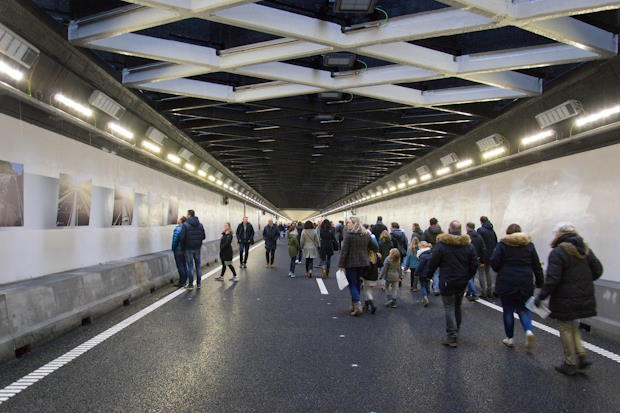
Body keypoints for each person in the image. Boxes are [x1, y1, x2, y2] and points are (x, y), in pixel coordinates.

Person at [534, 223, 603, 376]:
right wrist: (583, 282)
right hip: (582, 295)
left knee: (565, 327)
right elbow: (598, 270)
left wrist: (541, 296)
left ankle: (570, 362)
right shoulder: (585, 250)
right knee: (573, 325)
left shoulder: (558, 252)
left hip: (564, 297)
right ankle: (581, 355)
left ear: (560, 235)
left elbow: (553, 279)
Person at [426, 220, 478, 347]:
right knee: (457, 306)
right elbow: (474, 264)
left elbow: (433, 262)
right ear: (461, 231)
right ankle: (456, 331)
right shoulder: (468, 245)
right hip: (462, 281)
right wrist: (468, 276)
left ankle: (452, 336)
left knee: (449, 306)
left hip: (447, 281)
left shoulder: (442, 245)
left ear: (449, 230)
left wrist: (428, 275)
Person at [490, 224, 543, 350]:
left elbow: (495, 263)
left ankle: (510, 338)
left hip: (506, 281)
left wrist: (500, 267)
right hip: (525, 282)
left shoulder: (502, 245)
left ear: (508, 233)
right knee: (524, 309)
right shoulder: (529, 245)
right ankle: (528, 331)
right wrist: (540, 282)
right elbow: (536, 265)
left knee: (508, 310)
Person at [338, 216, 378, 316]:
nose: (347, 224)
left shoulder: (349, 235)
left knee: (352, 284)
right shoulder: (366, 234)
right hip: (364, 263)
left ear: (354, 223)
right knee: (357, 283)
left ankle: (357, 304)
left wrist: (341, 264)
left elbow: (344, 251)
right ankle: (353, 305)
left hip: (351, 263)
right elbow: (375, 247)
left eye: (349, 223)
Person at [180, 209, 206, 289]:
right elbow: (204, 236)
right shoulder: (200, 225)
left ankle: (191, 285)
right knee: (198, 265)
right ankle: (199, 284)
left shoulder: (185, 225)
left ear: (189, 215)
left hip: (188, 248)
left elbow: (182, 238)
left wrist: (183, 247)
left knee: (190, 266)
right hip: (197, 248)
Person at [478, 216, 498, 298]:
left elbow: (479, 243)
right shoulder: (492, 231)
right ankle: (490, 291)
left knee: (481, 272)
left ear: (481, 221)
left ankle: (483, 292)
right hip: (490, 255)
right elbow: (496, 242)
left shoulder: (480, 230)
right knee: (488, 272)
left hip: (483, 255)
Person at [465, 222, 486, 301]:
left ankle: (474, 293)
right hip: (477, 258)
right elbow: (483, 249)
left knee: (469, 276)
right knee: (472, 275)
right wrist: (482, 260)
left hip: (468, 258)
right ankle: (469, 291)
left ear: (467, 227)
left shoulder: (467, 237)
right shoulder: (479, 236)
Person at [423, 218, 443, 295]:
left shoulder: (427, 232)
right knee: (437, 273)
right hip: (439, 253)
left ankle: (427, 289)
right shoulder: (441, 232)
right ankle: (436, 289)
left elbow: (423, 241)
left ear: (430, 223)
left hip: (429, 253)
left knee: (428, 271)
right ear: (437, 223)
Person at [362, 242, 380, 314]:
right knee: (369, 290)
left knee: (367, 291)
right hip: (375, 276)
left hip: (368, 277)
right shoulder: (376, 256)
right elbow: (380, 264)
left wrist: (362, 275)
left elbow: (367, 269)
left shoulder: (367, 257)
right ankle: (366, 305)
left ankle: (372, 305)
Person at [414, 241, 433, 307]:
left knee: (423, 285)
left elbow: (420, 266)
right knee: (427, 284)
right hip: (429, 272)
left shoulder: (422, 256)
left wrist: (416, 272)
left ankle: (425, 296)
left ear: (422, 247)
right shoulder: (431, 254)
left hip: (422, 273)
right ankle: (427, 295)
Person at [171, 216, 188, 288]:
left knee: (180, 266)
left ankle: (181, 282)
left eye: (179, 219)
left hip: (178, 250)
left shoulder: (178, 229)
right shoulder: (187, 229)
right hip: (185, 249)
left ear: (181, 221)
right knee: (184, 265)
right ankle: (184, 280)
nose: (178, 220)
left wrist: (173, 248)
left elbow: (175, 240)